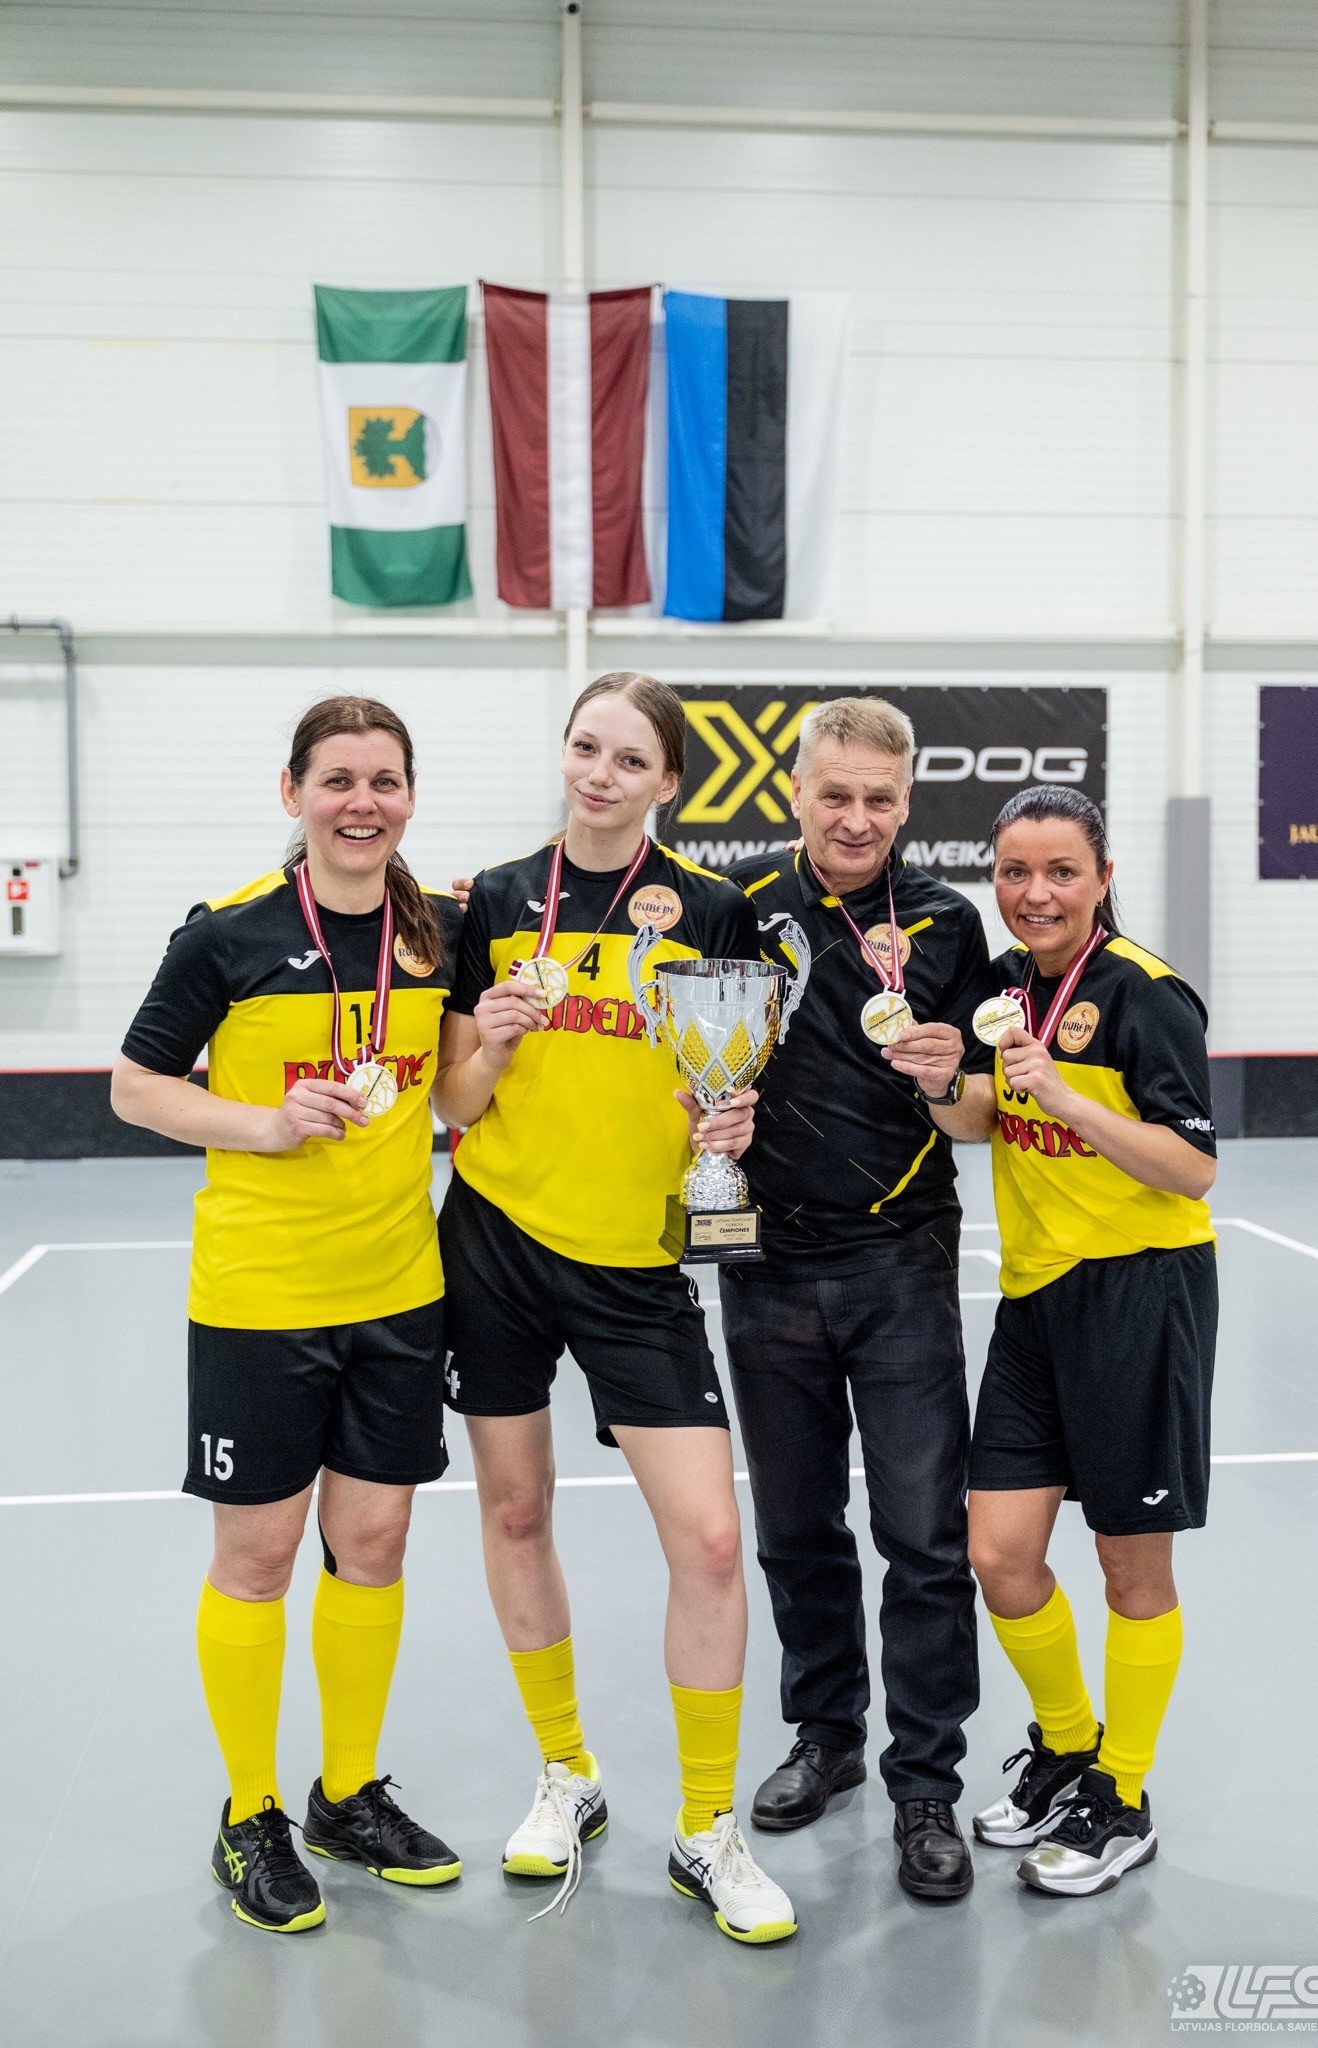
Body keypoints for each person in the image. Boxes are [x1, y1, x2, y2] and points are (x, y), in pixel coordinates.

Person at [430, 670, 798, 1946]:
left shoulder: (713, 909)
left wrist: (730, 1125)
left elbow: (731, 1076)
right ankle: (565, 1770)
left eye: (629, 758)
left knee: (709, 1540)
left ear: (668, 781)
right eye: (584, 746)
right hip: (496, 1243)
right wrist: (494, 1042)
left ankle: (705, 1823)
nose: (599, 773)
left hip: (637, 1263)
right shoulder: (488, 899)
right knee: (515, 1509)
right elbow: (452, 1103)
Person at [112, 695, 464, 1934]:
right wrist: (262, 1123)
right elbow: (136, 1086)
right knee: (257, 1559)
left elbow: (454, 1086)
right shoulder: (227, 932)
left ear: (409, 795)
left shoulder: (439, 931)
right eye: (338, 779)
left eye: (384, 780)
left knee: (374, 1545)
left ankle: (346, 1792)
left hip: (400, 1291)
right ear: (293, 791)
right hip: (261, 1295)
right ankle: (250, 1810)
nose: (361, 802)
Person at [722, 696, 998, 1902]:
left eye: (878, 798)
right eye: (833, 793)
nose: (854, 817)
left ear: (905, 801)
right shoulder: (737, 900)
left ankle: (924, 1782)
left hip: (901, 1258)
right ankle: (825, 1732)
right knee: (795, 1525)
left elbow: (977, 1115)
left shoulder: (946, 920)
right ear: (795, 792)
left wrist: (944, 1079)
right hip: (766, 1256)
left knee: (924, 1536)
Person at [960, 784, 1218, 1897]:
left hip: (1138, 1295)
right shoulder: (1003, 987)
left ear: (1102, 877)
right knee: (998, 1554)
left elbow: (1192, 1166)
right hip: (1034, 1301)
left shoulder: (1146, 993)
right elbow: (977, 1118)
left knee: (1127, 1563)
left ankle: (1123, 1793)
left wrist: (1066, 1098)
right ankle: (1067, 1747)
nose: (1035, 892)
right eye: (1013, 871)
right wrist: (938, 1082)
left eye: (1059, 870)